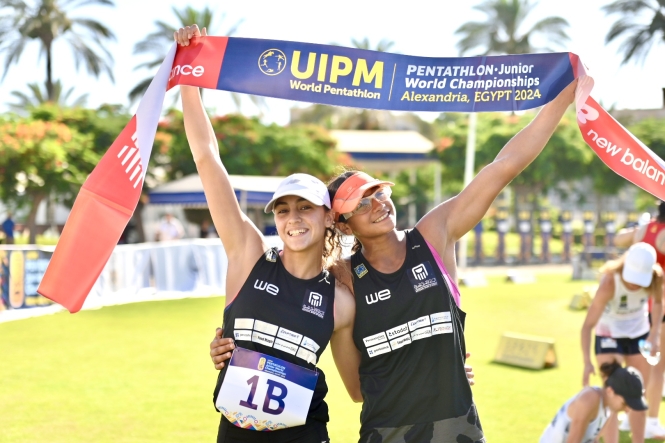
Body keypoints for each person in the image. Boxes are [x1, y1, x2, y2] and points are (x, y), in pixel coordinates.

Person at [176, 25, 357, 443]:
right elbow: (206, 157)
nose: (293, 218)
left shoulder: (341, 301)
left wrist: (443, 368)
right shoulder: (249, 254)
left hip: (304, 434)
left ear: (328, 217)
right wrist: (188, 75)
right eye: (283, 209)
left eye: (305, 207)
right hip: (235, 432)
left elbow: (359, 388)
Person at [580, 242, 663, 442]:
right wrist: (587, 362)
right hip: (609, 336)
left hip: (638, 335)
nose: (635, 285)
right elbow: (587, 326)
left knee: (637, 393)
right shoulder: (610, 282)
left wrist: (654, 334)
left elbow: (659, 303)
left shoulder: (655, 278)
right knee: (613, 395)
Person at [614, 201, 665, 438]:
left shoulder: (646, 228)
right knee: (657, 367)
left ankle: (629, 415)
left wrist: (637, 230)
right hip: (658, 306)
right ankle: (651, 420)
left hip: (640, 305)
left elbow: (618, 239)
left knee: (637, 363)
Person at [540, 360, 648, 443]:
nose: (627, 410)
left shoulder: (608, 409)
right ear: (610, 391)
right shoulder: (590, 399)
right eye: (625, 404)